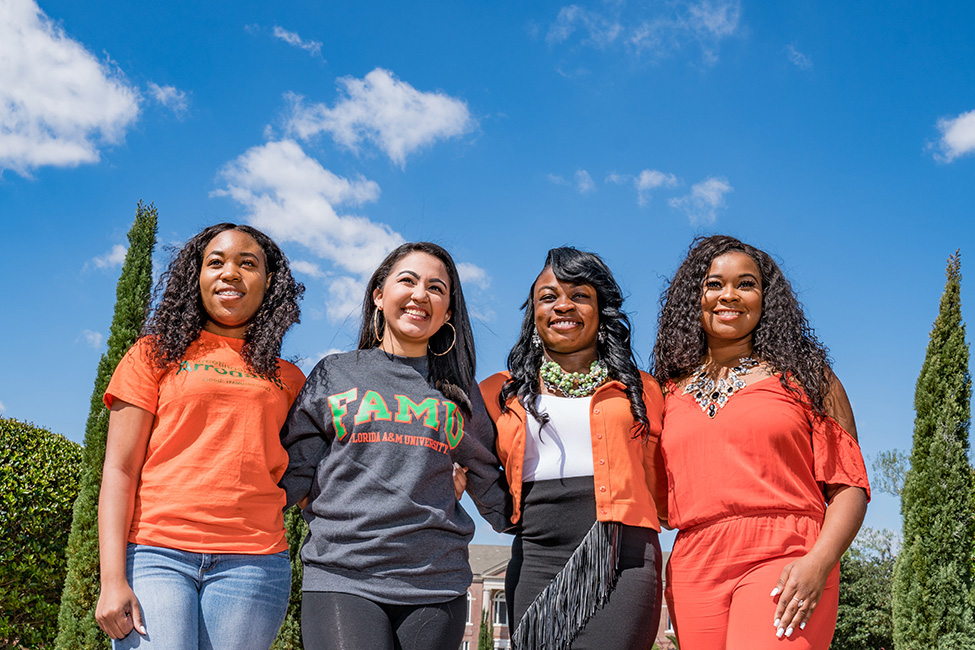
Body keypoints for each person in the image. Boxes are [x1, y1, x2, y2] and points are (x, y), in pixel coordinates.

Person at [279, 241, 510, 650]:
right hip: (342, 576)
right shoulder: (335, 373)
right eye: (408, 280)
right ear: (379, 295)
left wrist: (547, 528)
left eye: (437, 288)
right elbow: (292, 472)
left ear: (449, 313)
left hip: (436, 585)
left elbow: (488, 480)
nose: (421, 294)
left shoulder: (460, 394)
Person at [652, 235, 870, 649]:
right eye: (713, 284)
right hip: (693, 565)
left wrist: (820, 562)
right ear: (692, 299)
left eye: (746, 284)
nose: (728, 295)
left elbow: (850, 486)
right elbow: (659, 499)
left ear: (766, 299)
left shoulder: (808, 378)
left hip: (787, 556)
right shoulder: (665, 393)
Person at [95, 223, 306, 649]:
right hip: (155, 553)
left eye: (248, 264)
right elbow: (119, 469)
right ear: (196, 277)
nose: (231, 273)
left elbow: (313, 475)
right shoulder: (151, 355)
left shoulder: (290, 380)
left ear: (269, 284)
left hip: (254, 562)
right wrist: (111, 579)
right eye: (216, 262)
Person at [480, 247, 667, 650]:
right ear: (534, 315)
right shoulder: (497, 392)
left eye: (580, 295)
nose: (563, 304)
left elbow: (663, 471)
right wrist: (498, 512)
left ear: (600, 312)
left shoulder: (643, 390)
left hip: (623, 559)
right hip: (534, 556)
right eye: (549, 297)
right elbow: (464, 459)